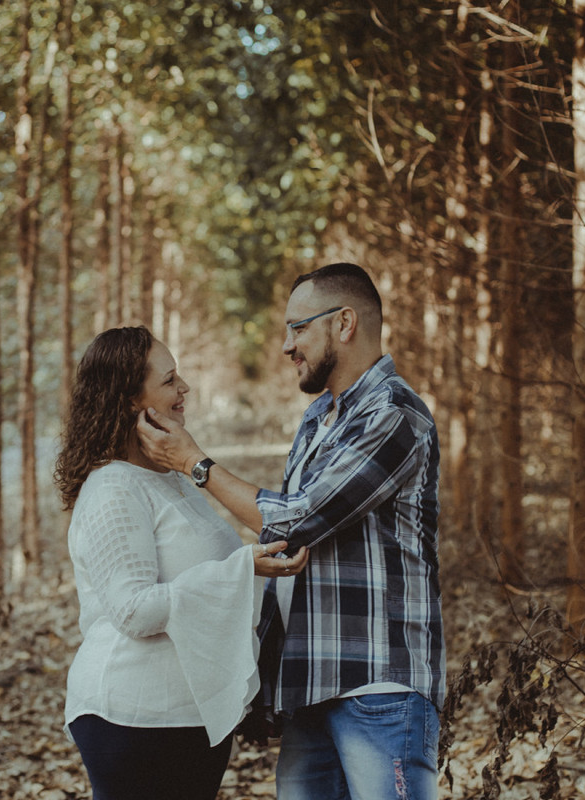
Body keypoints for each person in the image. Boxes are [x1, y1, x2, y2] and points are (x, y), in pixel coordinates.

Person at [137, 263, 446, 800]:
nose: (286, 345)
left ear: (344, 323)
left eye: (298, 327)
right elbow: (285, 547)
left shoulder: (395, 415)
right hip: (310, 687)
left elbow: (297, 519)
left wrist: (196, 463)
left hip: (378, 686)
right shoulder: (318, 418)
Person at [53, 326, 309, 800]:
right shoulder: (113, 488)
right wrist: (241, 569)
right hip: (132, 717)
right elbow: (133, 610)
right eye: (170, 380)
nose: (184, 389)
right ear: (131, 398)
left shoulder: (166, 481)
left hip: (188, 715)